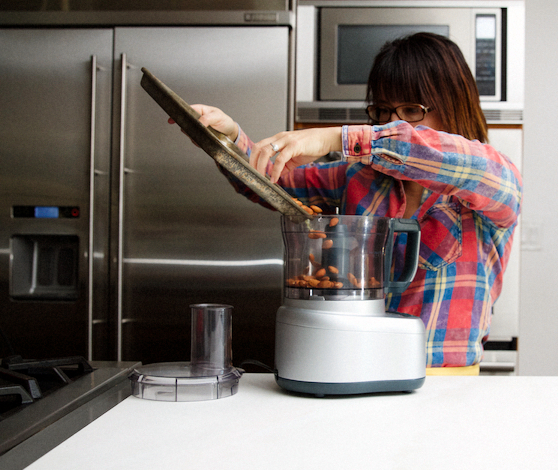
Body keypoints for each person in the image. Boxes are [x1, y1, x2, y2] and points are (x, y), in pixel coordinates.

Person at [175, 32, 522, 374]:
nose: (392, 123)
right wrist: (228, 138)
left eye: (411, 110)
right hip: (358, 371)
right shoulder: (357, 177)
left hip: (447, 390)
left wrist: (335, 136)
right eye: (383, 110)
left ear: (454, 107)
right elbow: (270, 183)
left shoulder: (490, 183)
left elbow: (466, 162)